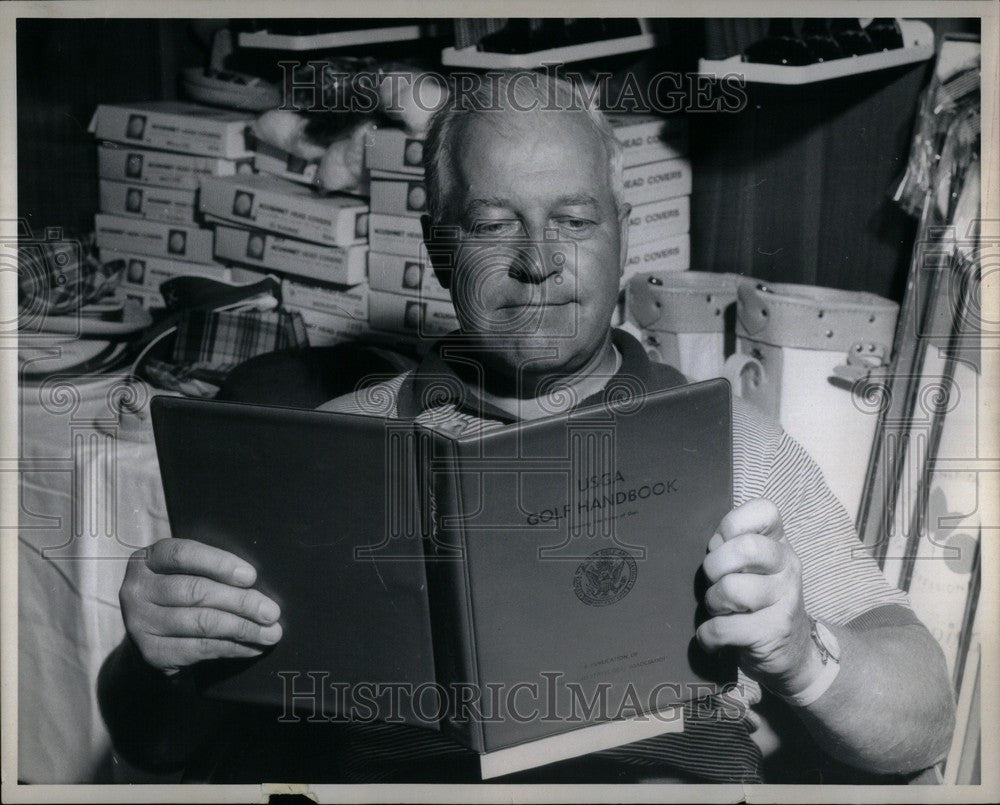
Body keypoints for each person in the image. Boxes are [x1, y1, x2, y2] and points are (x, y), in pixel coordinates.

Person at [100, 70, 955, 784]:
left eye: (575, 220)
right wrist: (155, 659)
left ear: (623, 241)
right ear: (439, 247)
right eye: (494, 222)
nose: (539, 260)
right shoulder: (332, 451)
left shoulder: (733, 444)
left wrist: (807, 656)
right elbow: (161, 745)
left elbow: (923, 722)